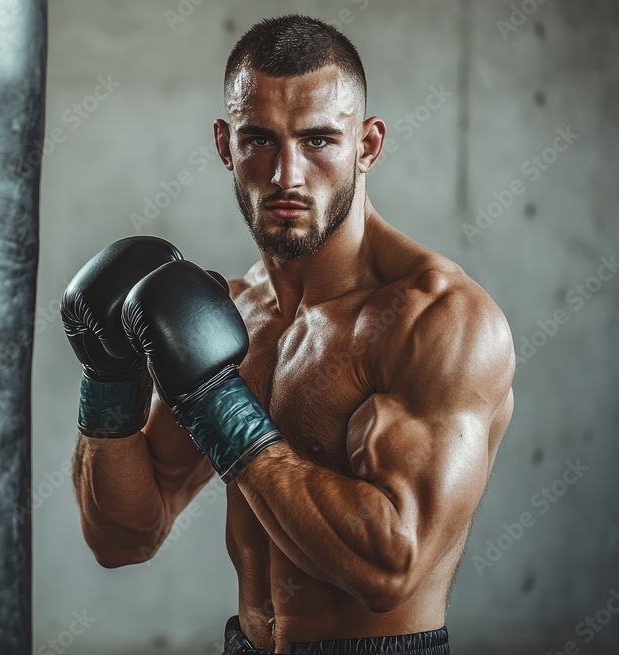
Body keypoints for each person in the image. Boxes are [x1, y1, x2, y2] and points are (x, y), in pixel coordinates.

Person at [62, 14, 515, 655]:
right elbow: (124, 537)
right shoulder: (236, 313)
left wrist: (223, 411)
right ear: (225, 144)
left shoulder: (437, 321)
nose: (286, 176)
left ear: (369, 144)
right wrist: (108, 382)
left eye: (319, 141)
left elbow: (390, 567)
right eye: (260, 141)